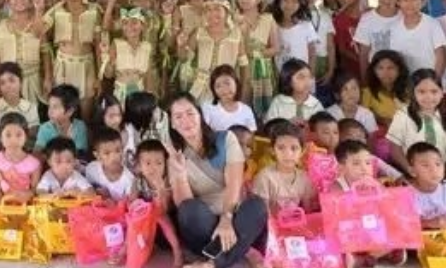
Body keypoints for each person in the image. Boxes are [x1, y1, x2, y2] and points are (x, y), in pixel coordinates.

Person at [166, 94, 266, 268]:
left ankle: (211, 264)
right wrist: (180, 173)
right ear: (173, 123)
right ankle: (236, 250)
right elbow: (185, 205)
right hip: (204, 227)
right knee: (189, 209)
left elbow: (234, 185)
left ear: (200, 115)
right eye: (178, 116)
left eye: (190, 113)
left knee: (256, 206)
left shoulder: (226, 139)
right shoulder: (175, 156)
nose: (186, 121)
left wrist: (226, 219)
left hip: (233, 217)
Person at [386, 69, 446, 175]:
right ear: (412, 93)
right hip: (413, 173)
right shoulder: (403, 115)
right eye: (421, 92)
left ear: (442, 93)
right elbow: (394, 148)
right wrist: (409, 169)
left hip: (440, 174)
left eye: (434, 91)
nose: (428, 97)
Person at [131, 139, 183, 267]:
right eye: (147, 163)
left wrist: (160, 189)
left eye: (159, 163)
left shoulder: (167, 181)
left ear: (165, 164)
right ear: (139, 166)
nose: (153, 168)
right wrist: (136, 205)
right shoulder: (138, 181)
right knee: (133, 221)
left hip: (166, 214)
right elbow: (132, 200)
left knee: (161, 218)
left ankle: (177, 250)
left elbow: (164, 208)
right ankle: (128, 248)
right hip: (146, 214)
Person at [252, 123, 318, 214]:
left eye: (294, 148)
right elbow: (262, 214)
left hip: (297, 222)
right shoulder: (265, 177)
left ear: (302, 151)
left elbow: (308, 211)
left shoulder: (305, 177)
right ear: (272, 150)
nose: (288, 154)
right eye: (281, 148)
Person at [387, 0, 446, 79]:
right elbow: (396, 58)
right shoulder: (394, 28)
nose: (409, 3)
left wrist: (435, 80)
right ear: (398, 2)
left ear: (423, 1)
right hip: (407, 81)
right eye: (405, 0)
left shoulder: (432, 24)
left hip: (431, 80)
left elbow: (441, 56)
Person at [353, 0, 401, 84]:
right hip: (377, 76)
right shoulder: (367, 19)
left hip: (402, 75)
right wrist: (365, 81)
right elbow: (364, 54)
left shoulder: (406, 15)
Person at [0, 112, 42, 200]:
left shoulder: (34, 164)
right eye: (8, 135)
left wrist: (28, 194)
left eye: (18, 135)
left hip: (26, 204)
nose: (13, 140)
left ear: (26, 137)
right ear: (0, 137)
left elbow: (35, 190)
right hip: (2, 204)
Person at [265, 59, 323, 125]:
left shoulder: (315, 104)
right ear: (288, 80)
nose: (307, 81)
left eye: (310, 77)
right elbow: (268, 126)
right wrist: (287, 124)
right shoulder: (278, 102)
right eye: (301, 77)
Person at [361, 50, 409, 131]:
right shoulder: (367, 93)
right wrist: (383, 120)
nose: (385, 72)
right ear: (374, 71)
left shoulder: (409, 90)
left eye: (391, 68)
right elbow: (364, 117)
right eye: (380, 68)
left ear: (399, 70)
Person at [201, 65, 257, 132]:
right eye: (218, 86)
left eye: (227, 83)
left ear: (236, 83)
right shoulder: (208, 108)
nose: (224, 89)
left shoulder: (246, 110)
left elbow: (251, 135)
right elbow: (204, 133)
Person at [0, 62, 40, 135]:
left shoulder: (31, 108)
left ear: (21, 82)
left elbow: (33, 136)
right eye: (2, 83)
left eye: (12, 80)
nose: (8, 85)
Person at [36, 83, 88, 154]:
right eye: (49, 106)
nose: (50, 111)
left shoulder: (79, 127)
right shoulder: (45, 128)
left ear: (69, 111)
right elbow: (37, 153)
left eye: (55, 107)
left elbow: (81, 153)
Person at [86, 126, 135, 200]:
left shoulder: (129, 180)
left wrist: (109, 198)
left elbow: (129, 206)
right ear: (97, 156)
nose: (114, 157)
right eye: (107, 153)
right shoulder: (91, 169)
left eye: (118, 150)